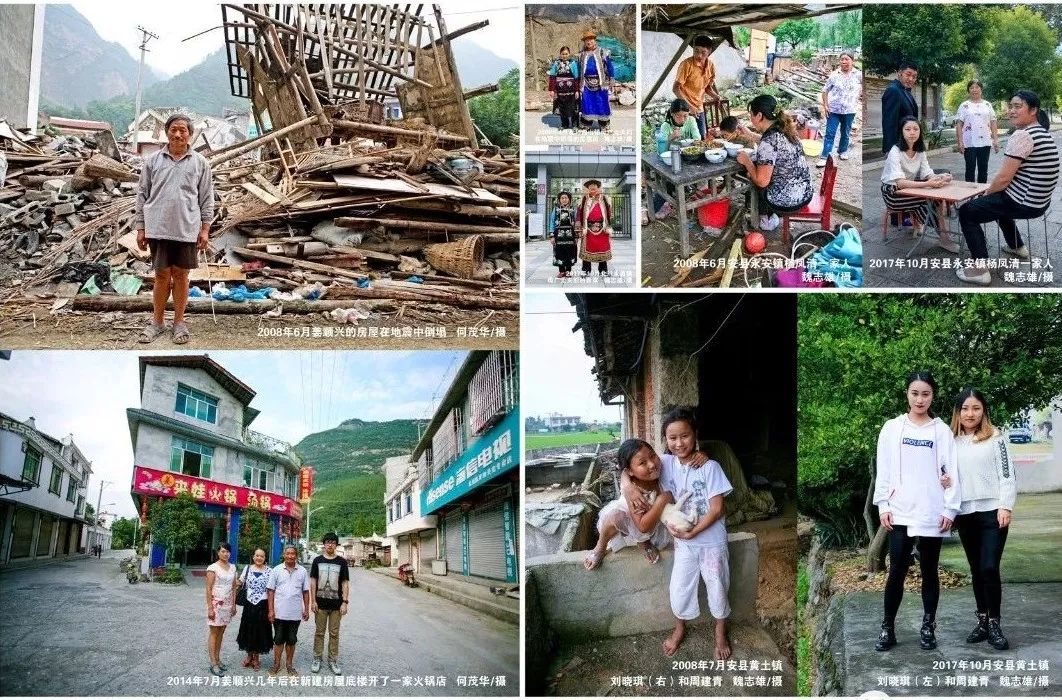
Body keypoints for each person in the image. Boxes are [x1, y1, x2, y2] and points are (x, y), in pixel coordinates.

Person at [873, 371, 961, 652]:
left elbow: (952, 472)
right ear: (907, 395)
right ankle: (887, 627)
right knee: (896, 570)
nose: (920, 399)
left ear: (933, 396)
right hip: (900, 512)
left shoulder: (941, 430)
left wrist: (950, 508)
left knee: (929, 570)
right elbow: (883, 469)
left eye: (926, 394)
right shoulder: (892, 428)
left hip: (932, 512)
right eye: (915, 393)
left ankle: (928, 627)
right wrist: (884, 504)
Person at [956, 90, 1060, 285]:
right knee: (999, 202)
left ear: (1033, 110)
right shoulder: (1042, 133)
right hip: (1039, 202)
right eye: (1010, 106)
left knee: (967, 211)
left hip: (1025, 202)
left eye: (1017, 106)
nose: (1011, 111)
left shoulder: (1023, 135)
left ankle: (980, 269)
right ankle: (1017, 246)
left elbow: (1003, 178)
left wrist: (985, 195)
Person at [657, 408, 733, 660]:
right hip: (684, 543)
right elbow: (631, 465)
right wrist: (670, 524)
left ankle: (720, 632)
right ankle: (680, 628)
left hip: (711, 542)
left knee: (718, 586)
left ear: (695, 435)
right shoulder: (665, 464)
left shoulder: (709, 466)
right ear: (665, 439)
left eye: (685, 436)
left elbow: (718, 508)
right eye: (672, 438)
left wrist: (694, 532)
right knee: (679, 588)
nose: (679, 443)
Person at [134, 114, 214, 345]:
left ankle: (179, 322)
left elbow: (207, 199)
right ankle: (157, 322)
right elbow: (142, 195)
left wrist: (205, 229)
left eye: (183, 130)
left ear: (190, 134)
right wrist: (141, 228)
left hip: (186, 228)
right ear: (166, 132)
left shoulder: (200, 163)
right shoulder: (153, 162)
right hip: (157, 228)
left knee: (181, 276)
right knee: (161, 276)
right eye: (173, 130)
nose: (178, 134)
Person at [947, 388, 1016, 650]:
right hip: (965, 514)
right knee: (976, 569)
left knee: (989, 566)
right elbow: (945, 474)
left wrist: (1005, 506)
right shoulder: (951, 441)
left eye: (976, 408)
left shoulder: (996, 438)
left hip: (992, 512)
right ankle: (983, 621)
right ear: (958, 412)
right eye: (965, 408)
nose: (970, 413)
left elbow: (1007, 475)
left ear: (983, 411)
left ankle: (996, 623)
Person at [583, 438, 675, 570]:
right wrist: (662, 500)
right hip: (637, 521)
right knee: (615, 517)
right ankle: (600, 546)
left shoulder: (660, 467)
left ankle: (644, 540)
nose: (652, 464)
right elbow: (643, 527)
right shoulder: (635, 492)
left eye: (653, 456)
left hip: (657, 522)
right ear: (630, 471)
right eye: (643, 463)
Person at [735, 94, 814, 232]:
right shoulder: (786, 130)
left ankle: (766, 219)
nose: (751, 118)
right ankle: (767, 215)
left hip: (788, 202)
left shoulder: (769, 140)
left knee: (753, 177)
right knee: (759, 172)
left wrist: (747, 162)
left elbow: (762, 181)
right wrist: (749, 134)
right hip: (805, 193)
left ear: (759, 115)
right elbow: (772, 144)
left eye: (751, 115)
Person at [880, 116, 960, 252]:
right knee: (932, 199)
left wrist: (939, 177)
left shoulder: (920, 150)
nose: (912, 132)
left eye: (916, 129)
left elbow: (926, 172)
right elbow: (899, 183)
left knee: (936, 195)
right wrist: (928, 184)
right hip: (893, 193)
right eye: (908, 129)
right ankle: (944, 238)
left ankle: (937, 232)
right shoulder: (895, 151)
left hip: (909, 187)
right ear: (902, 132)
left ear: (920, 132)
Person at [310, 532, 350, 675]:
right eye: (327, 542)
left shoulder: (342, 562)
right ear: (324, 544)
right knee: (319, 633)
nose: (330, 544)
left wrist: (345, 602)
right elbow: (313, 581)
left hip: (336, 605)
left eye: (333, 542)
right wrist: (313, 601)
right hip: (320, 604)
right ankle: (317, 658)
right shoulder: (317, 561)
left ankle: (333, 660)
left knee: (334, 633)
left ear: (336, 545)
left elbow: (345, 582)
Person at [267, 544, 310, 677]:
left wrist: (306, 609)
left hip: (295, 614)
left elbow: (306, 591)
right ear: (284, 555)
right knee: (278, 639)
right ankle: (277, 664)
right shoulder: (276, 570)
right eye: (288, 553)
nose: (291, 556)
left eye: (293, 554)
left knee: (291, 640)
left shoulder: (302, 571)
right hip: (279, 612)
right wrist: (270, 610)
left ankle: (289, 665)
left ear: (296, 556)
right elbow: (271, 591)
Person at [817, 52, 862, 166]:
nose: (844, 62)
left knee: (845, 132)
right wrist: (825, 105)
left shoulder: (858, 75)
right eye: (842, 59)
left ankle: (842, 151)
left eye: (846, 59)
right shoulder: (834, 75)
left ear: (852, 61)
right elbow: (825, 91)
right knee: (830, 133)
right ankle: (824, 156)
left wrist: (859, 96)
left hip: (850, 110)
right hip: (834, 110)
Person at [673, 36, 721, 138]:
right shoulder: (686, 65)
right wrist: (690, 107)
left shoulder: (711, 66)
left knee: (702, 138)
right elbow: (676, 88)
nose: (699, 55)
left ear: (709, 51)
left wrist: (715, 96)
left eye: (703, 52)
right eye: (696, 51)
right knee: (686, 140)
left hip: (699, 108)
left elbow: (707, 87)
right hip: (685, 109)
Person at [236, 547, 273, 671]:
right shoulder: (247, 569)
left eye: (262, 556)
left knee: (260, 630)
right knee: (248, 629)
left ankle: (256, 658)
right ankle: (248, 656)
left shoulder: (270, 571)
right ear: (253, 557)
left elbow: (272, 589)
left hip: (263, 604)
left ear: (264, 558)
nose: (259, 558)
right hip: (249, 604)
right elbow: (239, 582)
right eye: (257, 555)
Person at [955, 80, 999, 183]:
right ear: (968, 90)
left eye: (977, 87)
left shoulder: (987, 104)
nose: (974, 90)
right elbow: (959, 124)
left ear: (981, 89)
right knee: (970, 170)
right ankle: (969, 196)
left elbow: (993, 122)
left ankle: (981, 195)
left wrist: (995, 140)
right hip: (969, 142)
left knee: (983, 170)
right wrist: (960, 142)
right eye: (971, 87)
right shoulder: (964, 105)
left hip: (985, 142)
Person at [205, 542, 238, 676]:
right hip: (216, 604)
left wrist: (234, 605)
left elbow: (234, 587)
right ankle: (213, 663)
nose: (226, 554)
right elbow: (208, 588)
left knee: (222, 631)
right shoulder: (212, 568)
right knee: (214, 632)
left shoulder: (233, 567)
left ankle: (218, 660)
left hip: (228, 604)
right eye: (223, 551)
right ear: (218, 552)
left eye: (228, 552)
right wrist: (210, 608)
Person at [577, 31, 614, 131]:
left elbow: (610, 66)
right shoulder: (581, 55)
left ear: (594, 40)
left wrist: (612, 79)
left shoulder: (603, 52)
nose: (589, 42)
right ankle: (586, 124)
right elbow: (578, 70)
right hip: (586, 83)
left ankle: (604, 124)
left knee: (601, 103)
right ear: (584, 42)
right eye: (586, 40)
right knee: (587, 103)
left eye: (591, 39)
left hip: (601, 83)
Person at [881, 61, 919, 155]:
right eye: (908, 74)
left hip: (907, 145)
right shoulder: (893, 90)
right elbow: (889, 123)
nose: (911, 79)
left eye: (914, 77)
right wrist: (891, 149)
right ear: (899, 73)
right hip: (897, 147)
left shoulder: (905, 91)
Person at [576, 179, 613, 276]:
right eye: (591, 189)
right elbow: (579, 214)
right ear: (588, 189)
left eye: (595, 189)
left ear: (598, 189)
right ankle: (586, 271)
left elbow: (608, 214)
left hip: (602, 228)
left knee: (602, 249)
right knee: (587, 250)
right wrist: (579, 228)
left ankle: (603, 271)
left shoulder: (604, 199)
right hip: (587, 229)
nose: (593, 191)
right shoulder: (583, 199)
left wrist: (608, 226)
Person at [548, 46, 580, 130]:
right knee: (562, 108)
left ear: (569, 54)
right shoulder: (556, 64)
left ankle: (574, 124)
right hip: (560, 91)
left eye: (566, 54)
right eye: (563, 54)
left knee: (573, 107)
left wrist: (577, 90)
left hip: (571, 90)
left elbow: (576, 77)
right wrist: (551, 90)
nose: (564, 55)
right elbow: (552, 77)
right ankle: (564, 124)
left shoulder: (573, 64)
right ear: (560, 54)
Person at [548, 191, 578, 277]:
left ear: (569, 199)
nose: (564, 200)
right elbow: (552, 222)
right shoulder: (556, 209)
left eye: (566, 198)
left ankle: (568, 271)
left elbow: (576, 223)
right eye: (562, 198)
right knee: (559, 252)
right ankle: (561, 271)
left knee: (570, 252)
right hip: (559, 234)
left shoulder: (573, 209)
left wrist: (576, 236)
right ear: (559, 200)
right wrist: (552, 235)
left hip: (570, 235)